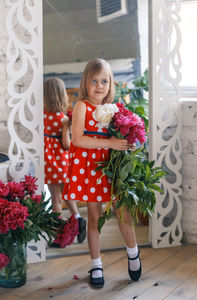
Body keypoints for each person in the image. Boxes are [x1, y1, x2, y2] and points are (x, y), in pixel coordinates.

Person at [62, 58, 141, 288]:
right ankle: (96, 264)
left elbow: (121, 138)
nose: (99, 86)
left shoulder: (115, 109)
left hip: (112, 168)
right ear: (86, 82)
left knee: (122, 211)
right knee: (94, 217)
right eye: (94, 80)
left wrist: (127, 143)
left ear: (110, 84)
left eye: (104, 81)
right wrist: (110, 142)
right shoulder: (81, 107)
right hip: (91, 170)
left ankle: (133, 253)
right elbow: (78, 139)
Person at [43, 77, 86, 244]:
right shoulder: (63, 119)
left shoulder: (43, 116)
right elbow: (66, 145)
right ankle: (78, 218)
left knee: (56, 199)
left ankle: (60, 237)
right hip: (62, 160)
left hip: (49, 161)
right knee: (66, 193)